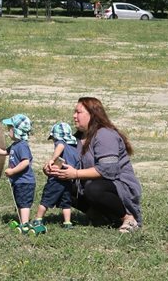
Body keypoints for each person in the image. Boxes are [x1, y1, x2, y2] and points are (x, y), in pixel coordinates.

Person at [48, 97, 142, 233]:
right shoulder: (77, 138)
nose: (74, 116)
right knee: (57, 183)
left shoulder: (105, 135)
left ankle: (128, 218)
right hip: (90, 182)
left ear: (92, 114)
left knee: (94, 189)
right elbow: (68, 163)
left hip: (117, 184)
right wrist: (53, 168)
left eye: (78, 112)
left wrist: (75, 174)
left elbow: (108, 170)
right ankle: (99, 216)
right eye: (74, 112)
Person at [0, 114, 35, 234]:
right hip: (18, 181)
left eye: (9, 128)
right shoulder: (15, 145)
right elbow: (4, 151)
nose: (7, 131)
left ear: (16, 131)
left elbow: (25, 162)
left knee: (24, 203)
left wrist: (12, 171)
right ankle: (23, 221)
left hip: (25, 181)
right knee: (19, 201)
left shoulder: (22, 146)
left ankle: (25, 224)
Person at [32, 122, 80, 232]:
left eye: (53, 139)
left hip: (56, 180)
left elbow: (60, 145)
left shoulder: (61, 143)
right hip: (68, 179)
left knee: (46, 200)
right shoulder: (74, 148)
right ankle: (67, 223)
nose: (54, 141)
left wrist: (52, 160)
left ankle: (38, 219)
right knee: (66, 203)